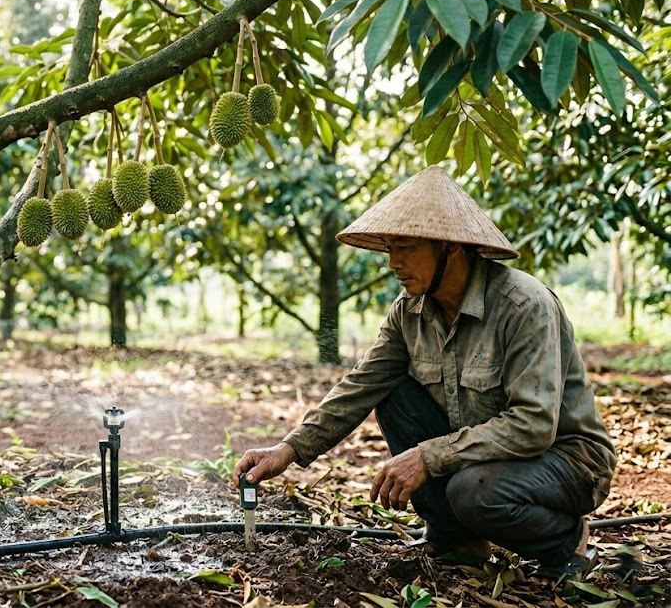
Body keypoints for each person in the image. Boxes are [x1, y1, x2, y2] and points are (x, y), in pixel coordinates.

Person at [233, 165, 616, 579]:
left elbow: (534, 425)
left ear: (450, 247)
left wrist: (427, 456)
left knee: (472, 492)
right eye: (389, 248)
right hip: (484, 456)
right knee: (394, 394)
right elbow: (361, 385)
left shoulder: (523, 306)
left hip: (565, 459)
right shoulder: (408, 312)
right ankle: (457, 540)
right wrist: (287, 450)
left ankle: (566, 540)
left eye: (405, 247)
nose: (393, 262)